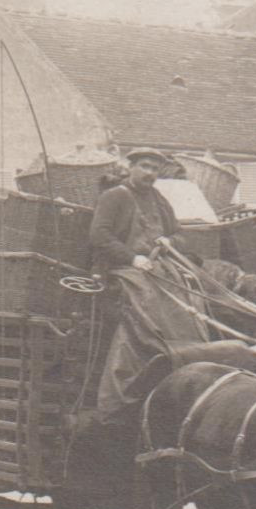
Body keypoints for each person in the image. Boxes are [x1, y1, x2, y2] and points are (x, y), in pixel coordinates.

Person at [89, 149, 209, 422]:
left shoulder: (158, 199)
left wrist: (171, 242)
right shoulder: (115, 197)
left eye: (154, 169)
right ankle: (128, 384)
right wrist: (133, 257)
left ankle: (183, 367)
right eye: (144, 166)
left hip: (156, 268)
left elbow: (179, 233)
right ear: (130, 167)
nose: (149, 173)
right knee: (148, 302)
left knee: (190, 292)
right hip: (119, 270)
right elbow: (99, 236)